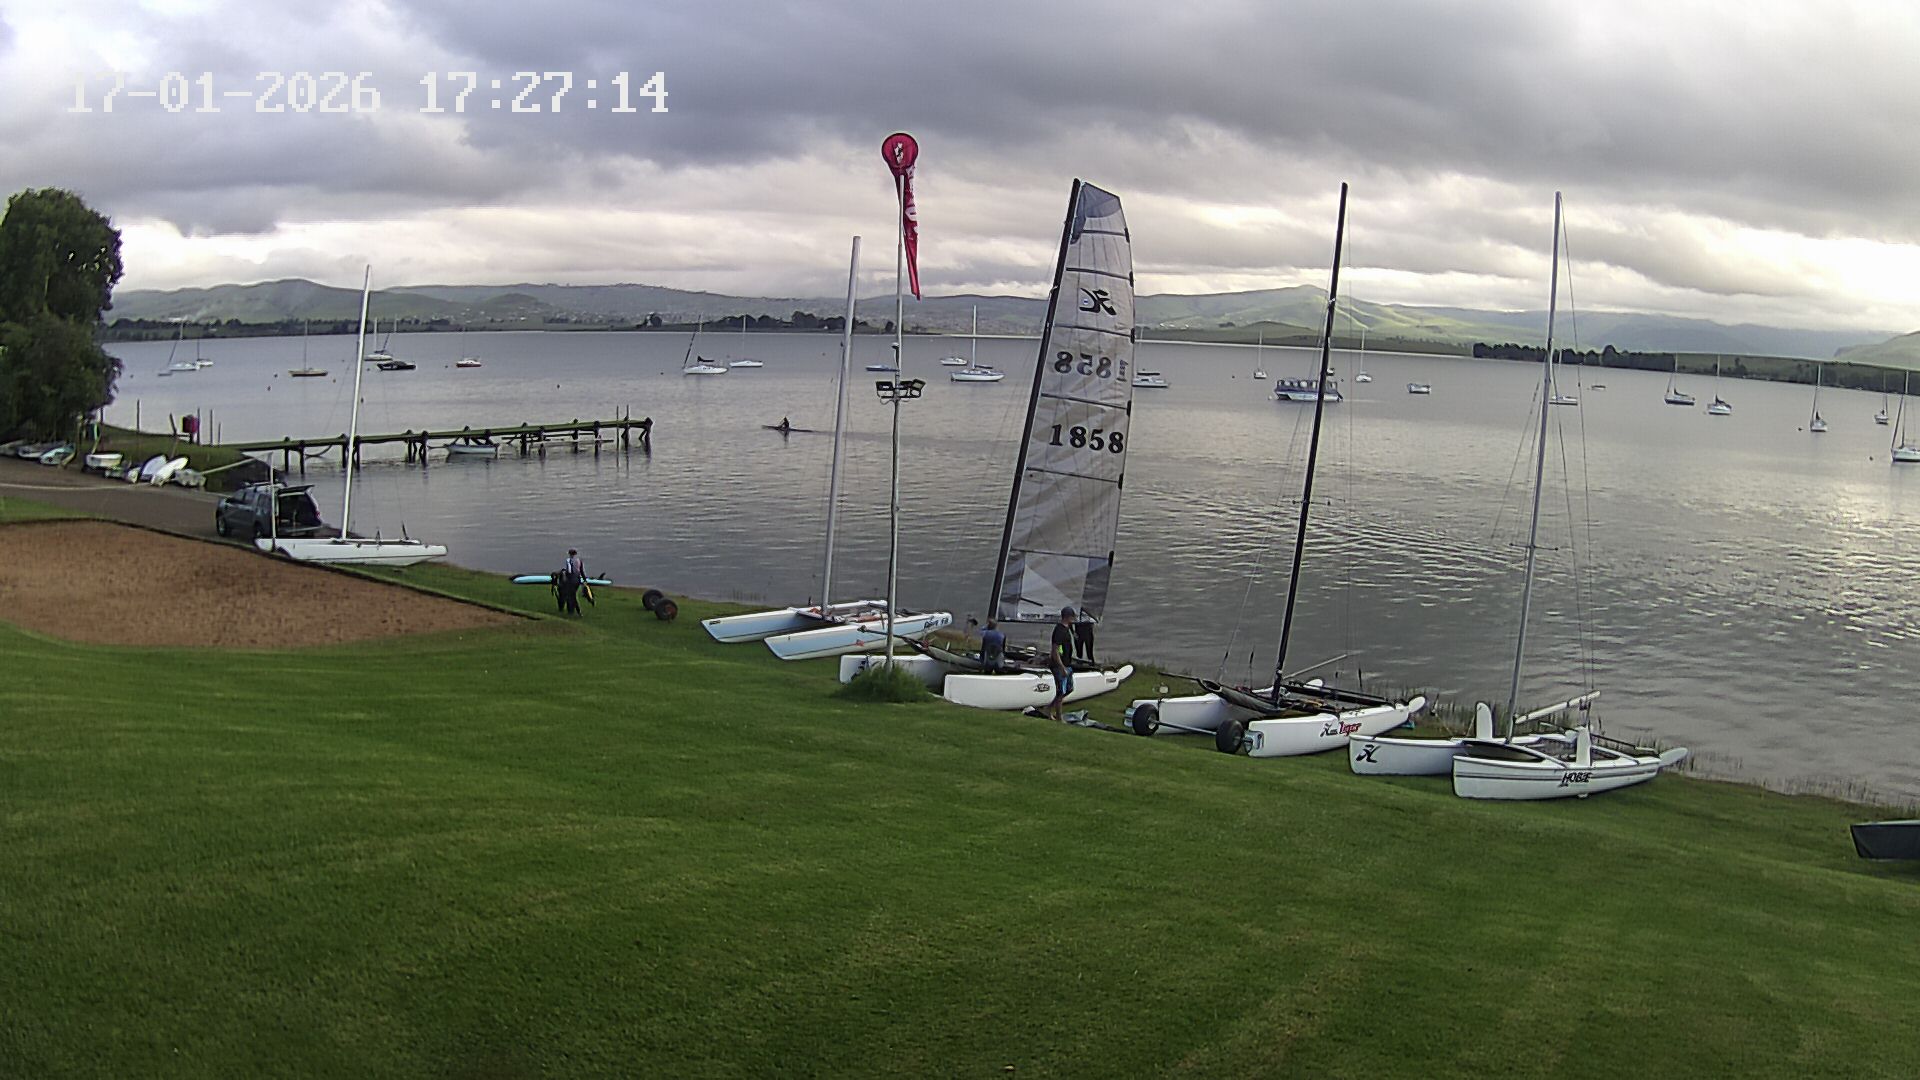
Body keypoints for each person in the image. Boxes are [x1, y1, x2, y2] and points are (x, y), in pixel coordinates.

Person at [1046, 606, 1076, 721]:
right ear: (1068, 617)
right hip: (1059, 665)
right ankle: (1058, 717)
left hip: (1067, 663)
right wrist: (1061, 666)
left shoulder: (1067, 629)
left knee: (1069, 689)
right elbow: (1055, 650)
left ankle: (1049, 708)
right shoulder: (1059, 630)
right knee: (1061, 691)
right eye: (1072, 617)